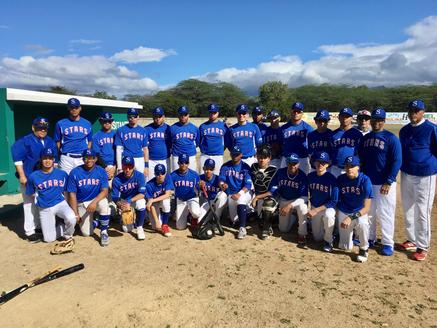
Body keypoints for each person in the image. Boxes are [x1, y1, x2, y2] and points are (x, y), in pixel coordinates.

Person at [357, 108, 402, 256]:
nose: (377, 122)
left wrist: (389, 181)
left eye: (380, 119)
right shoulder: (365, 138)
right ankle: (370, 238)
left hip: (384, 183)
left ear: (384, 120)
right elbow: (361, 160)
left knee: (386, 213)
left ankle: (388, 242)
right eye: (375, 119)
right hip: (369, 182)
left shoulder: (391, 138)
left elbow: (397, 161)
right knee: (369, 212)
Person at [397, 100, 437, 261]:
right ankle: (412, 239)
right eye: (411, 110)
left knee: (422, 211)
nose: (413, 113)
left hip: (425, 175)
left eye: (416, 110)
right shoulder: (404, 130)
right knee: (407, 208)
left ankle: (423, 246)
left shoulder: (431, 128)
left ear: (423, 112)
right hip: (407, 173)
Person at [11, 117, 57, 243]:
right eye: (39, 127)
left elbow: (54, 161)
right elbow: (18, 160)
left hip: (45, 178)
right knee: (29, 204)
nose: (42, 130)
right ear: (33, 128)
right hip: (29, 177)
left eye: (44, 128)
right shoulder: (25, 140)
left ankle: (38, 227)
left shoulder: (49, 141)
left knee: (40, 203)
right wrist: (22, 176)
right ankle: (30, 232)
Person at [25, 147, 76, 245]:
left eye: (50, 158)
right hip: (45, 207)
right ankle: (61, 227)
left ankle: (68, 236)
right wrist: (39, 199)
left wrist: (68, 205)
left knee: (71, 218)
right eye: (45, 158)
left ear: (53, 159)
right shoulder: (33, 176)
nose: (47, 161)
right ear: (41, 159)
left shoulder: (62, 174)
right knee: (49, 239)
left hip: (60, 203)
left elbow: (66, 191)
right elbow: (31, 193)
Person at [67, 149, 110, 246]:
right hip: (82, 203)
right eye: (86, 158)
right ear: (83, 159)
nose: (89, 160)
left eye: (92, 158)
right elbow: (72, 194)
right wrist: (76, 213)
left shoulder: (101, 171)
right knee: (86, 233)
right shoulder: (75, 172)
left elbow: (105, 191)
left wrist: (94, 202)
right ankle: (96, 222)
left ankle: (104, 232)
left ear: (95, 159)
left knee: (104, 203)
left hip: (96, 200)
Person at [337, 156, 373, 263]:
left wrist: (350, 217)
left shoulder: (365, 180)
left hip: (359, 211)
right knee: (345, 247)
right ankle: (347, 237)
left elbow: (366, 208)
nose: (349, 169)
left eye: (352, 166)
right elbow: (336, 200)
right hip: (344, 210)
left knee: (363, 224)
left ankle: (364, 248)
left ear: (358, 167)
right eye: (347, 166)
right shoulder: (340, 179)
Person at [268, 153, 309, 244]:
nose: (292, 166)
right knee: (283, 229)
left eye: (294, 163)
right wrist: (275, 200)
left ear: (298, 164)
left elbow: (305, 197)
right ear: (286, 163)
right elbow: (273, 187)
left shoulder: (302, 176)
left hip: (297, 201)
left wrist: (290, 206)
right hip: (284, 200)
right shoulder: (280, 172)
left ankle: (302, 234)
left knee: (303, 208)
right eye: (290, 163)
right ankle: (294, 216)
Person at [219, 146, 253, 239]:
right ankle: (249, 214)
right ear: (230, 154)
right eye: (233, 154)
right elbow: (221, 179)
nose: (235, 156)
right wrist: (222, 184)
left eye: (237, 154)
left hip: (244, 192)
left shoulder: (245, 167)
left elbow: (248, 185)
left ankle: (242, 228)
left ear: (241, 155)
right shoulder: (225, 166)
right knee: (234, 221)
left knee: (240, 200)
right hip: (231, 194)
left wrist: (239, 194)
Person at [307, 152, 338, 252]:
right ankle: (327, 232)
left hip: (327, 208)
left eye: (323, 163)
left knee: (329, 216)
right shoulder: (310, 176)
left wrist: (316, 210)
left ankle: (329, 240)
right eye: (318, 162)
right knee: (317, 238)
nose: (320, 165)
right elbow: (307, 194)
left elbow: (334, 201)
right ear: (314, 163)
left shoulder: (332, 179)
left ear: (328, 164)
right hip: (315, 207)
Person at [111, 156, 147, 240]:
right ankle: (129, 221)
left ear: (133, 166)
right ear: (122, 166)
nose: (127, 169)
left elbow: (142, 194)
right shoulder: (117, 179)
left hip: (135, 199)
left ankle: (139, 227)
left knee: (141, 203)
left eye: (130, 167)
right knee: (127, 229)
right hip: (124, 201)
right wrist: (121, 205)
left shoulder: (140, 176)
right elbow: (115, 197)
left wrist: (129, 201)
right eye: (125, 167)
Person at [54, 98, 92, 174]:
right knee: (65, 181)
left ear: (80, 108)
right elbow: (57, 142)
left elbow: (89, 141)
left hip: (81, 158)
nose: (74, 110)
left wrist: (86, 155)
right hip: (66, 158)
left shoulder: (87, 123)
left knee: (81, 181)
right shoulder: (60, 123)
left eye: (76, 107)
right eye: (72, 107)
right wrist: (58, 157)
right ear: (68, 108)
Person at [249, 145, 278, 239]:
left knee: (268, 203)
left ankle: (266, 228)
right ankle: (261, 216)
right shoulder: (253, 167)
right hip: (255, 195)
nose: (262, 160)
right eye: (260, 157)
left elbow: (271, 192)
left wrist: (256, 198)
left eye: (265, 158)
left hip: (268, 197)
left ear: (269, 158)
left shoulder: (274, 170)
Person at [114, 108, 149, 178]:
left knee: (141, 180)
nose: (132, 118)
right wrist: (120, 167)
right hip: (126, 158)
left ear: (138, 117)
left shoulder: (143, 130)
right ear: (127, 117)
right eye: (130, 116)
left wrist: (146, 166)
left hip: (139, 159)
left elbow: (145, 149)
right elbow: (118, 149)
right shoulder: (121, 130)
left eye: (134, 116)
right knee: (126, 181)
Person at [280, 102, 314, 174]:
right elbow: (280, 143)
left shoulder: (307, 128)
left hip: (302, 158)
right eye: (294, 111)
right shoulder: (283, 128)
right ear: (291, 112)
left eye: (298, 111)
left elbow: (313, 143)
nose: (296, 113)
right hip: (287, 158)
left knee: (303, 181)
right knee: (284, 180)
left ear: (302, 113)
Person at [171, 154, 202, 230]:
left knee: (196, 213)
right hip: (181, 200)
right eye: (181, 162)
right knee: (180, 227)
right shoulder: (173, 175)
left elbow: (199, 189)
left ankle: (193, 217)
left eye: (186, 162)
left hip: (192, 198)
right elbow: (169, 189)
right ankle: (188, 216)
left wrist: (200, 186)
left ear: (188, 163)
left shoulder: (194, 175)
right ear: (178, 163)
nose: (184, 164)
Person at [331, 108, 363, 177]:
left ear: (351, 118)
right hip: (336, 168)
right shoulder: (333, 134)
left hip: (351, 168)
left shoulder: (357, 134)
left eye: (347, 116)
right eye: (342, 116)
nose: (344, 118)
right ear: (339, 117)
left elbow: (360, 152)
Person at [145, 164, 174, 237]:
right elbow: (150, 205)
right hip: (154, 206)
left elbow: (167, 195)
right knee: (156, 227)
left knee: (166, 201)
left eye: (162, 173)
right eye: (158, 173)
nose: (160, 175)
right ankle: (151, 217)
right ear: (154, 174)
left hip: (160, 201)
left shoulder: (168, 177)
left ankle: (165, 224)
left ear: (165, 173)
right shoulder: (149, 185)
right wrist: (157, 221)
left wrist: (152, 200)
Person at [199, 104, 228, 175]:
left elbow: (227, 141)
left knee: (218, 176)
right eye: (210, 112)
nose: (212, 114)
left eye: (214, 113)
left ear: (218, 113)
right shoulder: (203, 126)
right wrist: (203, 149)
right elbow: (198, 141)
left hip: (218, 155)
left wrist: (221, 149)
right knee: (203, 176)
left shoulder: (223, 126)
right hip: (205, 155)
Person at [144, 107, 172, 181]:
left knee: (166, 181)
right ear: (153, 117)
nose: (158, 118)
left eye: (160, 116)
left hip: (165, 159)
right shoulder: (147, 129)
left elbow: (172, 144)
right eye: (156, 116)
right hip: (151, 160)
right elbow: (145, 147)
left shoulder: (169, 129)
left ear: (163, 117)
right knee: (150, 181)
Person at [170, 106, 199, 172]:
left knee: (192, 176)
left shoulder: (194, 128)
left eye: (185, 114)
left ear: (188, 115)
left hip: (190, 155)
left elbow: (197, 143)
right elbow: (169, 142)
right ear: (178, 115)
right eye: (181, 114)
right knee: (176, 177)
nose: (183, 116)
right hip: (177, 156)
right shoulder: (172, 128)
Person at [92, 112, 116, 180]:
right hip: (102, 166)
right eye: (105, 121)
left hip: (115, 166)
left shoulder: (116, 134)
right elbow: (96, 154)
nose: (107, 123)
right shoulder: (96, 136)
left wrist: (115, 166)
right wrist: (106, 168)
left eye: (109, 121)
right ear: (100, 121)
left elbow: (119, 151)